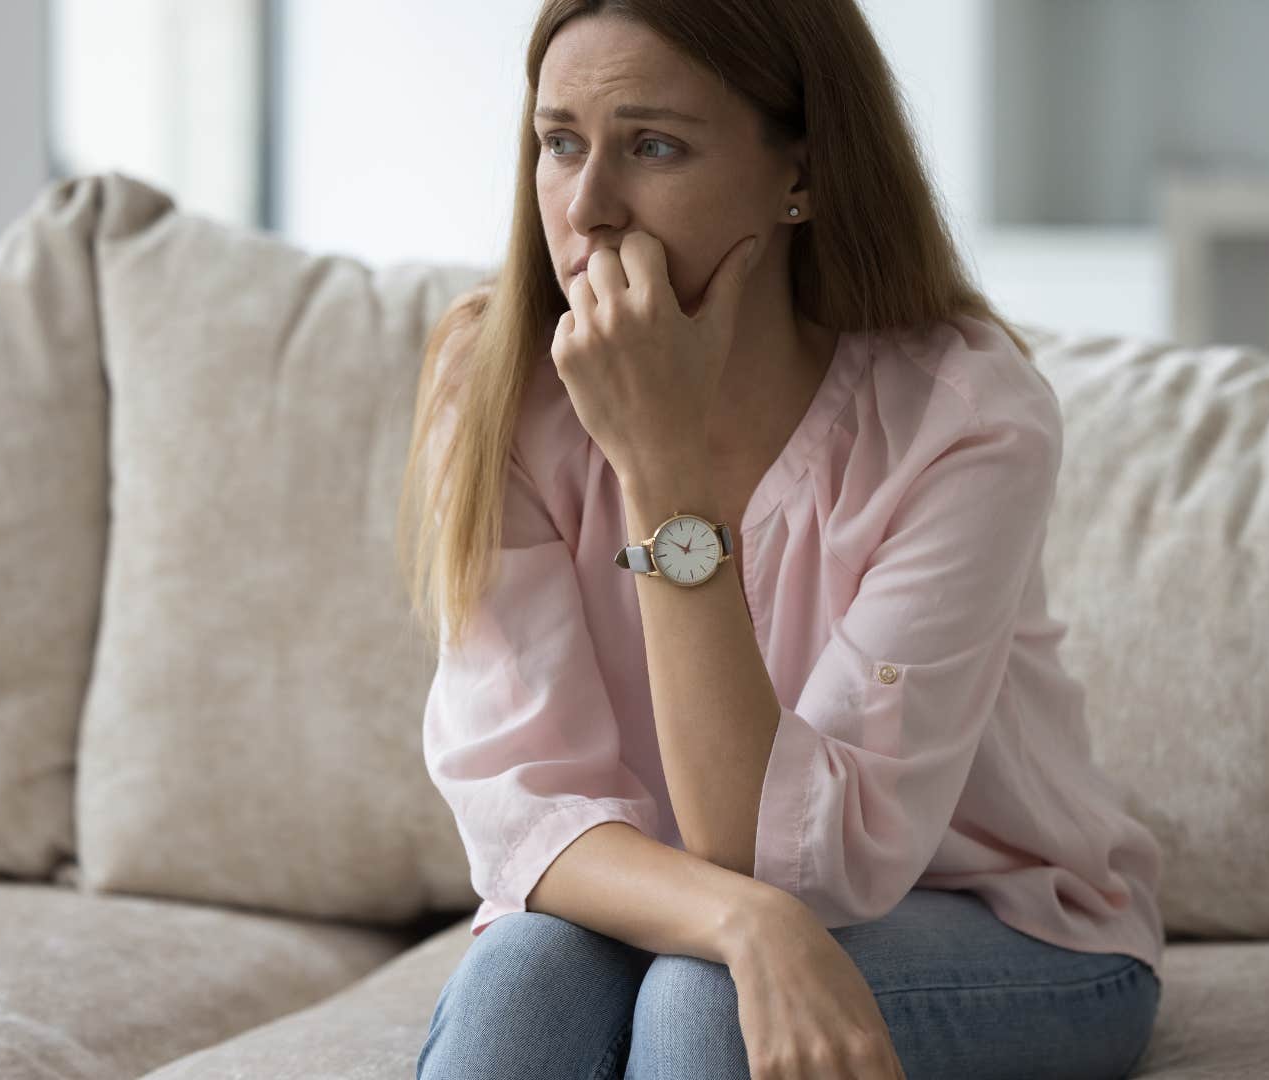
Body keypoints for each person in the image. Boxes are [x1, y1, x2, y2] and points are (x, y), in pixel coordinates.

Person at [397, 2, 1165, 1077]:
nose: (589, 206)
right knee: (522, 980)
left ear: (798, 170)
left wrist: (660, 468)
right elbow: (527, 808)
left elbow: (802, 862)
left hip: (1003, 920)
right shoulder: (497, 390)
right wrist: (746, 923)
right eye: (560, 141)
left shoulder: (961, 416)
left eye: (653, 145)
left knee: (703, 1007)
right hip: (682, 915)